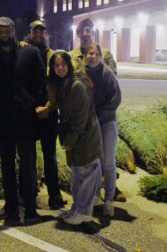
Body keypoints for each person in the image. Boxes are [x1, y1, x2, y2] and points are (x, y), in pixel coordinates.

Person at [0, 17, 47, 223]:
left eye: (7, 30)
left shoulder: (30, 53)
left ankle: (31, 209)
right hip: (2, 120)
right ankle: (11, 208)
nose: (3, 34)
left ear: (13, 31)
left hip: (26, 119)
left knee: (28, 165)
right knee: (7, 167)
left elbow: (42, 81)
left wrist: (36, 103)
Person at [70, 18, 126, 202]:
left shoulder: (106, 53)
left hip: (105, 117)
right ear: (78, 34)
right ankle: (93, 195)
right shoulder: (72, 56)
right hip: (86, 120)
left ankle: (111, 192)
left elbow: (110, 82)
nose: (85, 33)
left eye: (89, 30)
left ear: (92, 33)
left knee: (108, 159)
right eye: (82, 30)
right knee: (92, 159)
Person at [47, 51, 102, 225]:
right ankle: (77, 208)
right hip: (77, 139)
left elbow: (80, 119)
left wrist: (69, 141)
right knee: (77, 175)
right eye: (56, 65)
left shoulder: (77, 85)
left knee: (85, 175)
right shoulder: (65, 84)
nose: (60, 68)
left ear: (69, 65)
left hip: (85, 138)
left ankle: (84, 212)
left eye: (63, 64)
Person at [27, 20, 66, 210]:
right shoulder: (24, 53)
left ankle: (54, 196)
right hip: (29, 115)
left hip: (49, 114)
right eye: (35, 32)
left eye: (42, 32)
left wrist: (49, 107)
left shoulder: (55, 57)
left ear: (47, 35)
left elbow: (60, 85)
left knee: (50, 157)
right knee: (29, 157)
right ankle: (29, 194)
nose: (39, 35)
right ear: (29, 34)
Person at [85, 43, 121, 216]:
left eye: (95, 54)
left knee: (108, 163)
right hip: (92, 124)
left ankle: (109, 199)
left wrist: (99, 116)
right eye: (89, 53)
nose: (92, 56)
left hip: (107, 123)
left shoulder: (107, 74)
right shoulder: (83, 74)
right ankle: (96, 196)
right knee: (96, 162)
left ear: (100, 56)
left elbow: (115, 100)